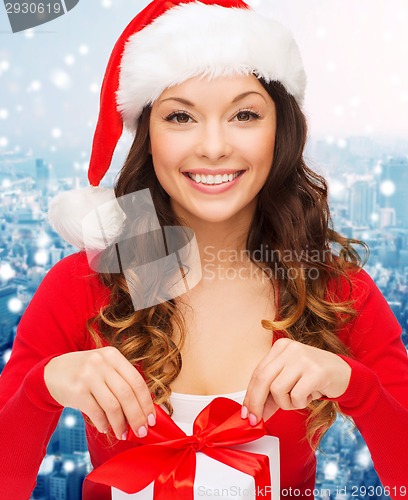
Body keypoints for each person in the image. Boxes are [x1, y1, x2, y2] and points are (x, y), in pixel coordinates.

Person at [1, 0, 408, 498]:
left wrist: (356, 386)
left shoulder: (336, 289)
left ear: (280, 129)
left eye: (244, 114)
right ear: (146, 135)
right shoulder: (83, 284)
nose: (213, 147)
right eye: (180, 117)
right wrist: (45, 387)